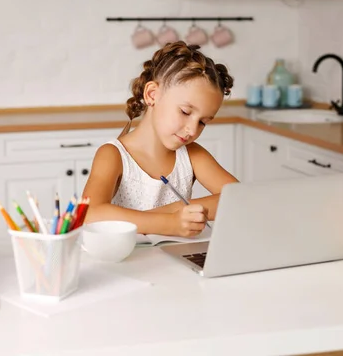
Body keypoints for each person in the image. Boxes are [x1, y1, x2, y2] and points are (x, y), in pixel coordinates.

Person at [82, 41, 238, 237]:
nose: (192, 130)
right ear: (152, 95)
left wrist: (167, 213)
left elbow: (239, 198)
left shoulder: (193, 154)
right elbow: (89, 214)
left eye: (203, 122)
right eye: (185, 111)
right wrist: (170, 222)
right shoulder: (113, 155)